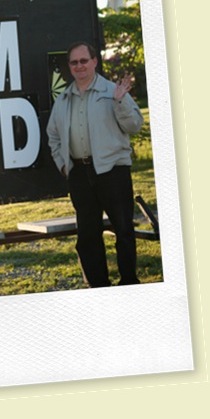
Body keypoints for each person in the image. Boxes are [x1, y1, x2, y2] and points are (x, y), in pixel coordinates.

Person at [46, 41, 144, 288]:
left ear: (94, 62)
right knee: (88, 236)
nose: (79, 66)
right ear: (69, 66)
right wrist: (64, 166)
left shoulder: (113, 91)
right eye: (74, 62)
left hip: (113, 171)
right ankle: (98, 287)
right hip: (79, 174)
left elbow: (134, 125)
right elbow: (53, 136)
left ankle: (129, 283)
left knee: (123, 230)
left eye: (83, 61)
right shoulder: (63, 99)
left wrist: (120, 102)